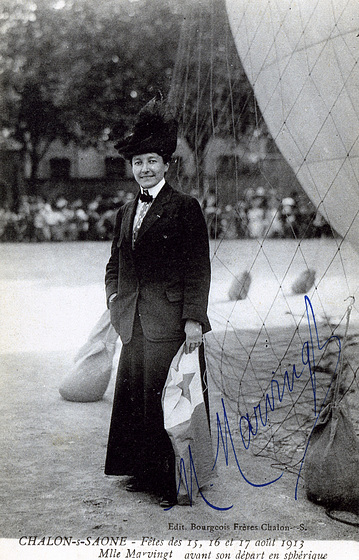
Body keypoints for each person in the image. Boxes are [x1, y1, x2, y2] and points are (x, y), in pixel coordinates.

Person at [104, 97, 211, 508]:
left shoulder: (185, 208)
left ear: (166, 164)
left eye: (151, 161)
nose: (144, 169)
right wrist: (114, 298)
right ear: (131, 168)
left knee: (169, 398)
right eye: (138, 163)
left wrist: (193, 320)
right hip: (131, 320)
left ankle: (173, 480)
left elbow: (198, 269)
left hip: (169, 321)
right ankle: (143, 471)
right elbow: (115, 262)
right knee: (137, 399)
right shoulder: (126, 210)